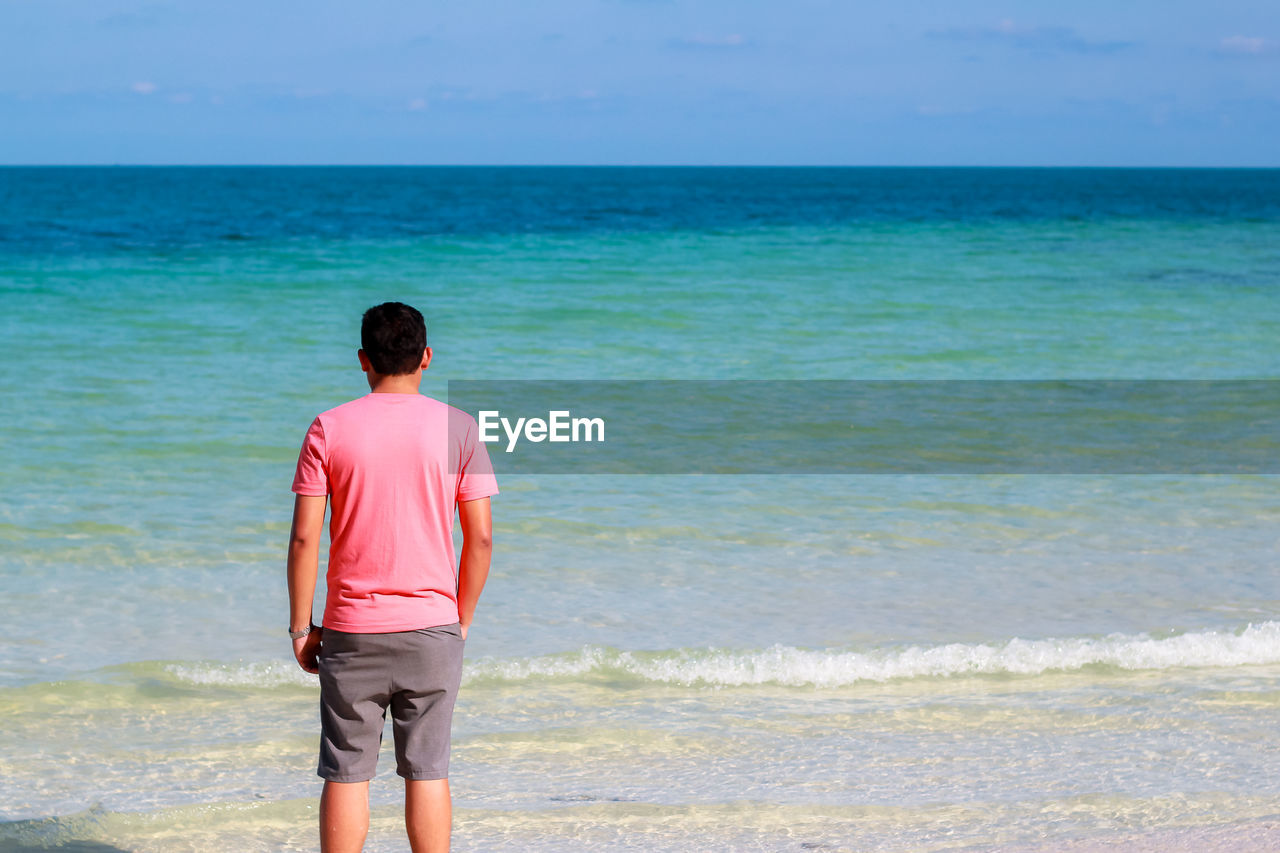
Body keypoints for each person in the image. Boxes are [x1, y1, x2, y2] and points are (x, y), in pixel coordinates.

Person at [286, 301, 497, 852]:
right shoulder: (460, 429)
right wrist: (461, 619)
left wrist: (300, 627)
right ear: (426, 357)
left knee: (346, 771)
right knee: (428, 769)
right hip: (433, 627)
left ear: (363, 360)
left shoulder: (328, 428)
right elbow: (480, 539)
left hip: (351, 631)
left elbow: (305, 538)